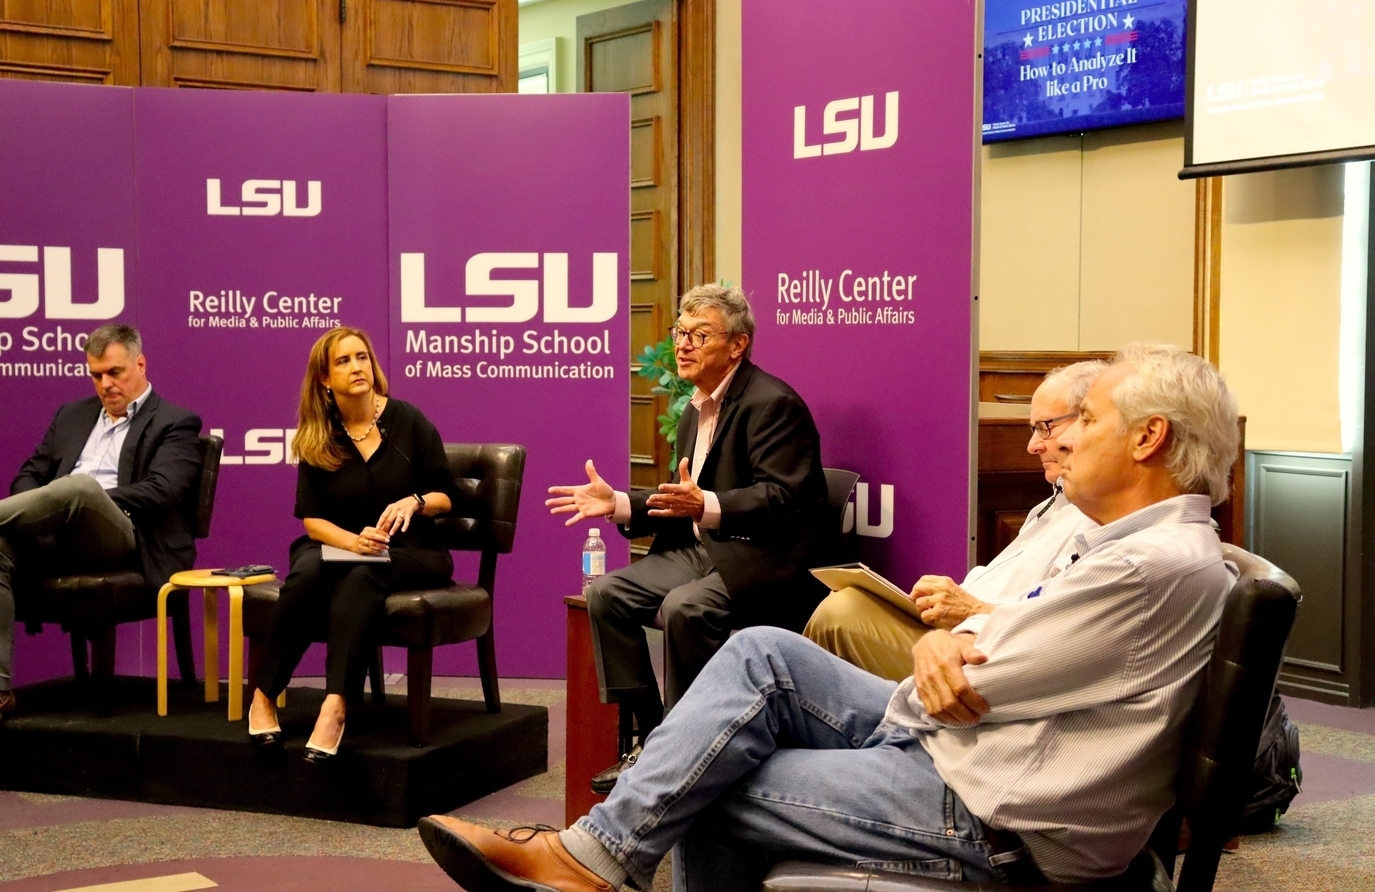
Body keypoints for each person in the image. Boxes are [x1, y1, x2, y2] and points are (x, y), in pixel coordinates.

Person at [421, 343, 1241, 891]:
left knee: (712, 774)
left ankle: (592, 859)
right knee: (762, 652)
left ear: (1148, 439)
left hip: (995, 810)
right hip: (975, 753)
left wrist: (945, 649)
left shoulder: (1145, 563)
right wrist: (946, 644)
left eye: (1082, 421)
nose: (1052, 445)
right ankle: (594, 857)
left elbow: (976, 677)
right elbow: (987, 636)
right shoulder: (1124, 541)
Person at [547, 283, 828, 788]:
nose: (682, 345)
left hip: (762, 558)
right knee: (607, 594)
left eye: (699, 335)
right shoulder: (696, 408)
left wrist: (708, 505)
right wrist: (620, 504)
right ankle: (657, 737)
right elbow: (684, 497)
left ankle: (693, 748)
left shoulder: (773, 404)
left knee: (685, 608)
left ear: (737, 344)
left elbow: (783, 499)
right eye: (680, 332)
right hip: (704, 551)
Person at [804, 360, 1105, 680]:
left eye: (1046, 426)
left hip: (989, 652)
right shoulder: (1052, 503)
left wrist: (970, 610)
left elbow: (1057, 632)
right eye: (1034, 430)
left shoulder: (1103, 519)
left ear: (1093, 424)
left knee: (837, 615)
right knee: (844, 600)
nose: (1033, 446)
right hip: (960, 628)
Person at [247, 327, 456, 761]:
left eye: (362, 357)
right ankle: (265, 695)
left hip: (409, 548)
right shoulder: (317, 435)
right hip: (340, 542)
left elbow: (446, 495)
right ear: (324, 379)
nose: (357, 367)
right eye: (343, 361)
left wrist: (414, 501)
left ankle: (336, 704)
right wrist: (353, 541)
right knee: (306, 575)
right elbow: (312, 520)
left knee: (363, 575)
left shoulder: (409, 420)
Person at [0, 324, 202, 723]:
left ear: (140, 364)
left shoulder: (176, 422)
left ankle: (75, 498)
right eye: (96, 375)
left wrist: (82, 502)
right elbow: (28, 475)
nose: (105, 384)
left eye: (115, 372)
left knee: (79, 487)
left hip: (127, 535)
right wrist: (55, 511)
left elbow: (160, 491)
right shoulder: (72, 415)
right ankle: (0, 692)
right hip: (56, 535)